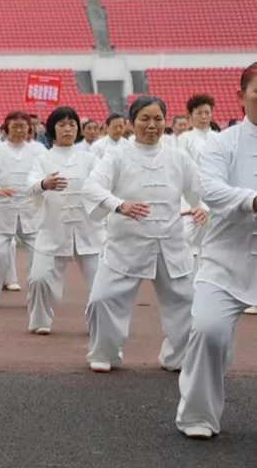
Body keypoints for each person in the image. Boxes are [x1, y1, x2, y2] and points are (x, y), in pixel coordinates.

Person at [81, 96, 207, 373]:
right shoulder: (118, 155)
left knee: (185, 300)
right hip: (126, 243)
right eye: (145, 119)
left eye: (158, 119)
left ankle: (177, 356)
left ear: (166, 122)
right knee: (102, 298)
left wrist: (203, 207)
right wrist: (120, 205)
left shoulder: (177, 156)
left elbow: (202, 189)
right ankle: (105, 351)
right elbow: (91, 187)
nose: (152, 125)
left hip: (171, 242)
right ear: (131, 123)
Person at [175, 64, 257, 439]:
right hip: (226, 257)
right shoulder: (221, 144)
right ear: (240, 97)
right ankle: (198, 414)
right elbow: (210, 191)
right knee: (210, 332)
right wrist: (253, 201)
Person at [25, 107, 105, 335]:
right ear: (52, 129)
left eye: (72, 124)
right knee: (39, 279)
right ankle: (40, 319)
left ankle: (98, 323)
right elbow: (29, 186)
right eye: (61, 124)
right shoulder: (42, 158)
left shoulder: (90, 158)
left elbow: (103, 184)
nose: (68, 128)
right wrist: (43, 184)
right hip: (53, 229)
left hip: (88, 230)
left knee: (100, 284)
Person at [0, 111, 42, 308]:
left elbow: (47, 173)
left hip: (31, 210)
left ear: (30, 129)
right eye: (14, 126)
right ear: (5, 129)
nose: (19, 130)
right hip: (1, 210)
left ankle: (36, 298)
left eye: (23, 126)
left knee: (39, 257)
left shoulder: (38, 150)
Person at [177, 94, 216, 255]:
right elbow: (183, 166)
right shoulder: (185, 138)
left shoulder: (218, 138)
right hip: (192, 194)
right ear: (190, 116)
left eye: (207, 112)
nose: (204, 117)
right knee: (186, 235)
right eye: (199, 113)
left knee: (210, 239)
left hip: (214, 191)